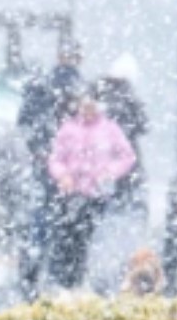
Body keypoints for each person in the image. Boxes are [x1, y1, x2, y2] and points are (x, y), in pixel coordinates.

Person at [18, 40, 86, 299]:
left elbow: (24, 122)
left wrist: (39, 149)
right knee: (67, 225)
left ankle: (31, 277)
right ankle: (61, 281)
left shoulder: (39, 85)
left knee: (40, 220)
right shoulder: (81, 88)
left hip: (43, 161)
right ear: (79, 58)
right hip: (72, 169)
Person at [47, 95, 136, 289]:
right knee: (68, 242)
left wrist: (109, 173)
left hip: (98, 196)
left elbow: (127, 156)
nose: (87, 111)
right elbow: (55, 158)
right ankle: (68, 283)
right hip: (71, 196)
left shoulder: (110, 129)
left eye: (92, 107)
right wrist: (63, 175)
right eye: (84, 106)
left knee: (93, 241)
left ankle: (90, 283)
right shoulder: (68, 129)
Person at [92, 55, 149, 214]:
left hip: (97, 158)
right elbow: (143, 124)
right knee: (126, 199)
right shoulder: (128, 97)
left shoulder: (97, 89)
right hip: (121, 158)